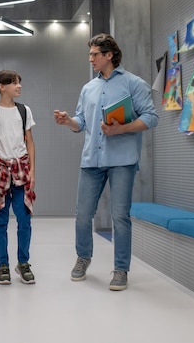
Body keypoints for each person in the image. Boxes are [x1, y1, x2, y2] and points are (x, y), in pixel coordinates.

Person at [54, 34, 158, 291]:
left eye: (94, 54)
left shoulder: (134, 84)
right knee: (82, 215)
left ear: (109, 55)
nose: (90, 59)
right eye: (90, 54)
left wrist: (121, 129)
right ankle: (83, 258)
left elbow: (151, 118)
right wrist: (68, 121)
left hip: (122, 160)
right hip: (91, 160)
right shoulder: (88, 88)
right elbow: (81, 122)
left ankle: (121, 269)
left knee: (120, 216)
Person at [0, 70, 36, 285]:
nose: (19, 86)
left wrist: (33, 171)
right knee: (0, 221)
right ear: (2, 86)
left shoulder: (24, 110)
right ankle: (3, 265)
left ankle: (23, 263)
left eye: (19, 82)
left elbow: (29, 141)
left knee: (24, 220)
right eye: (14, 83)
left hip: (22, 170)